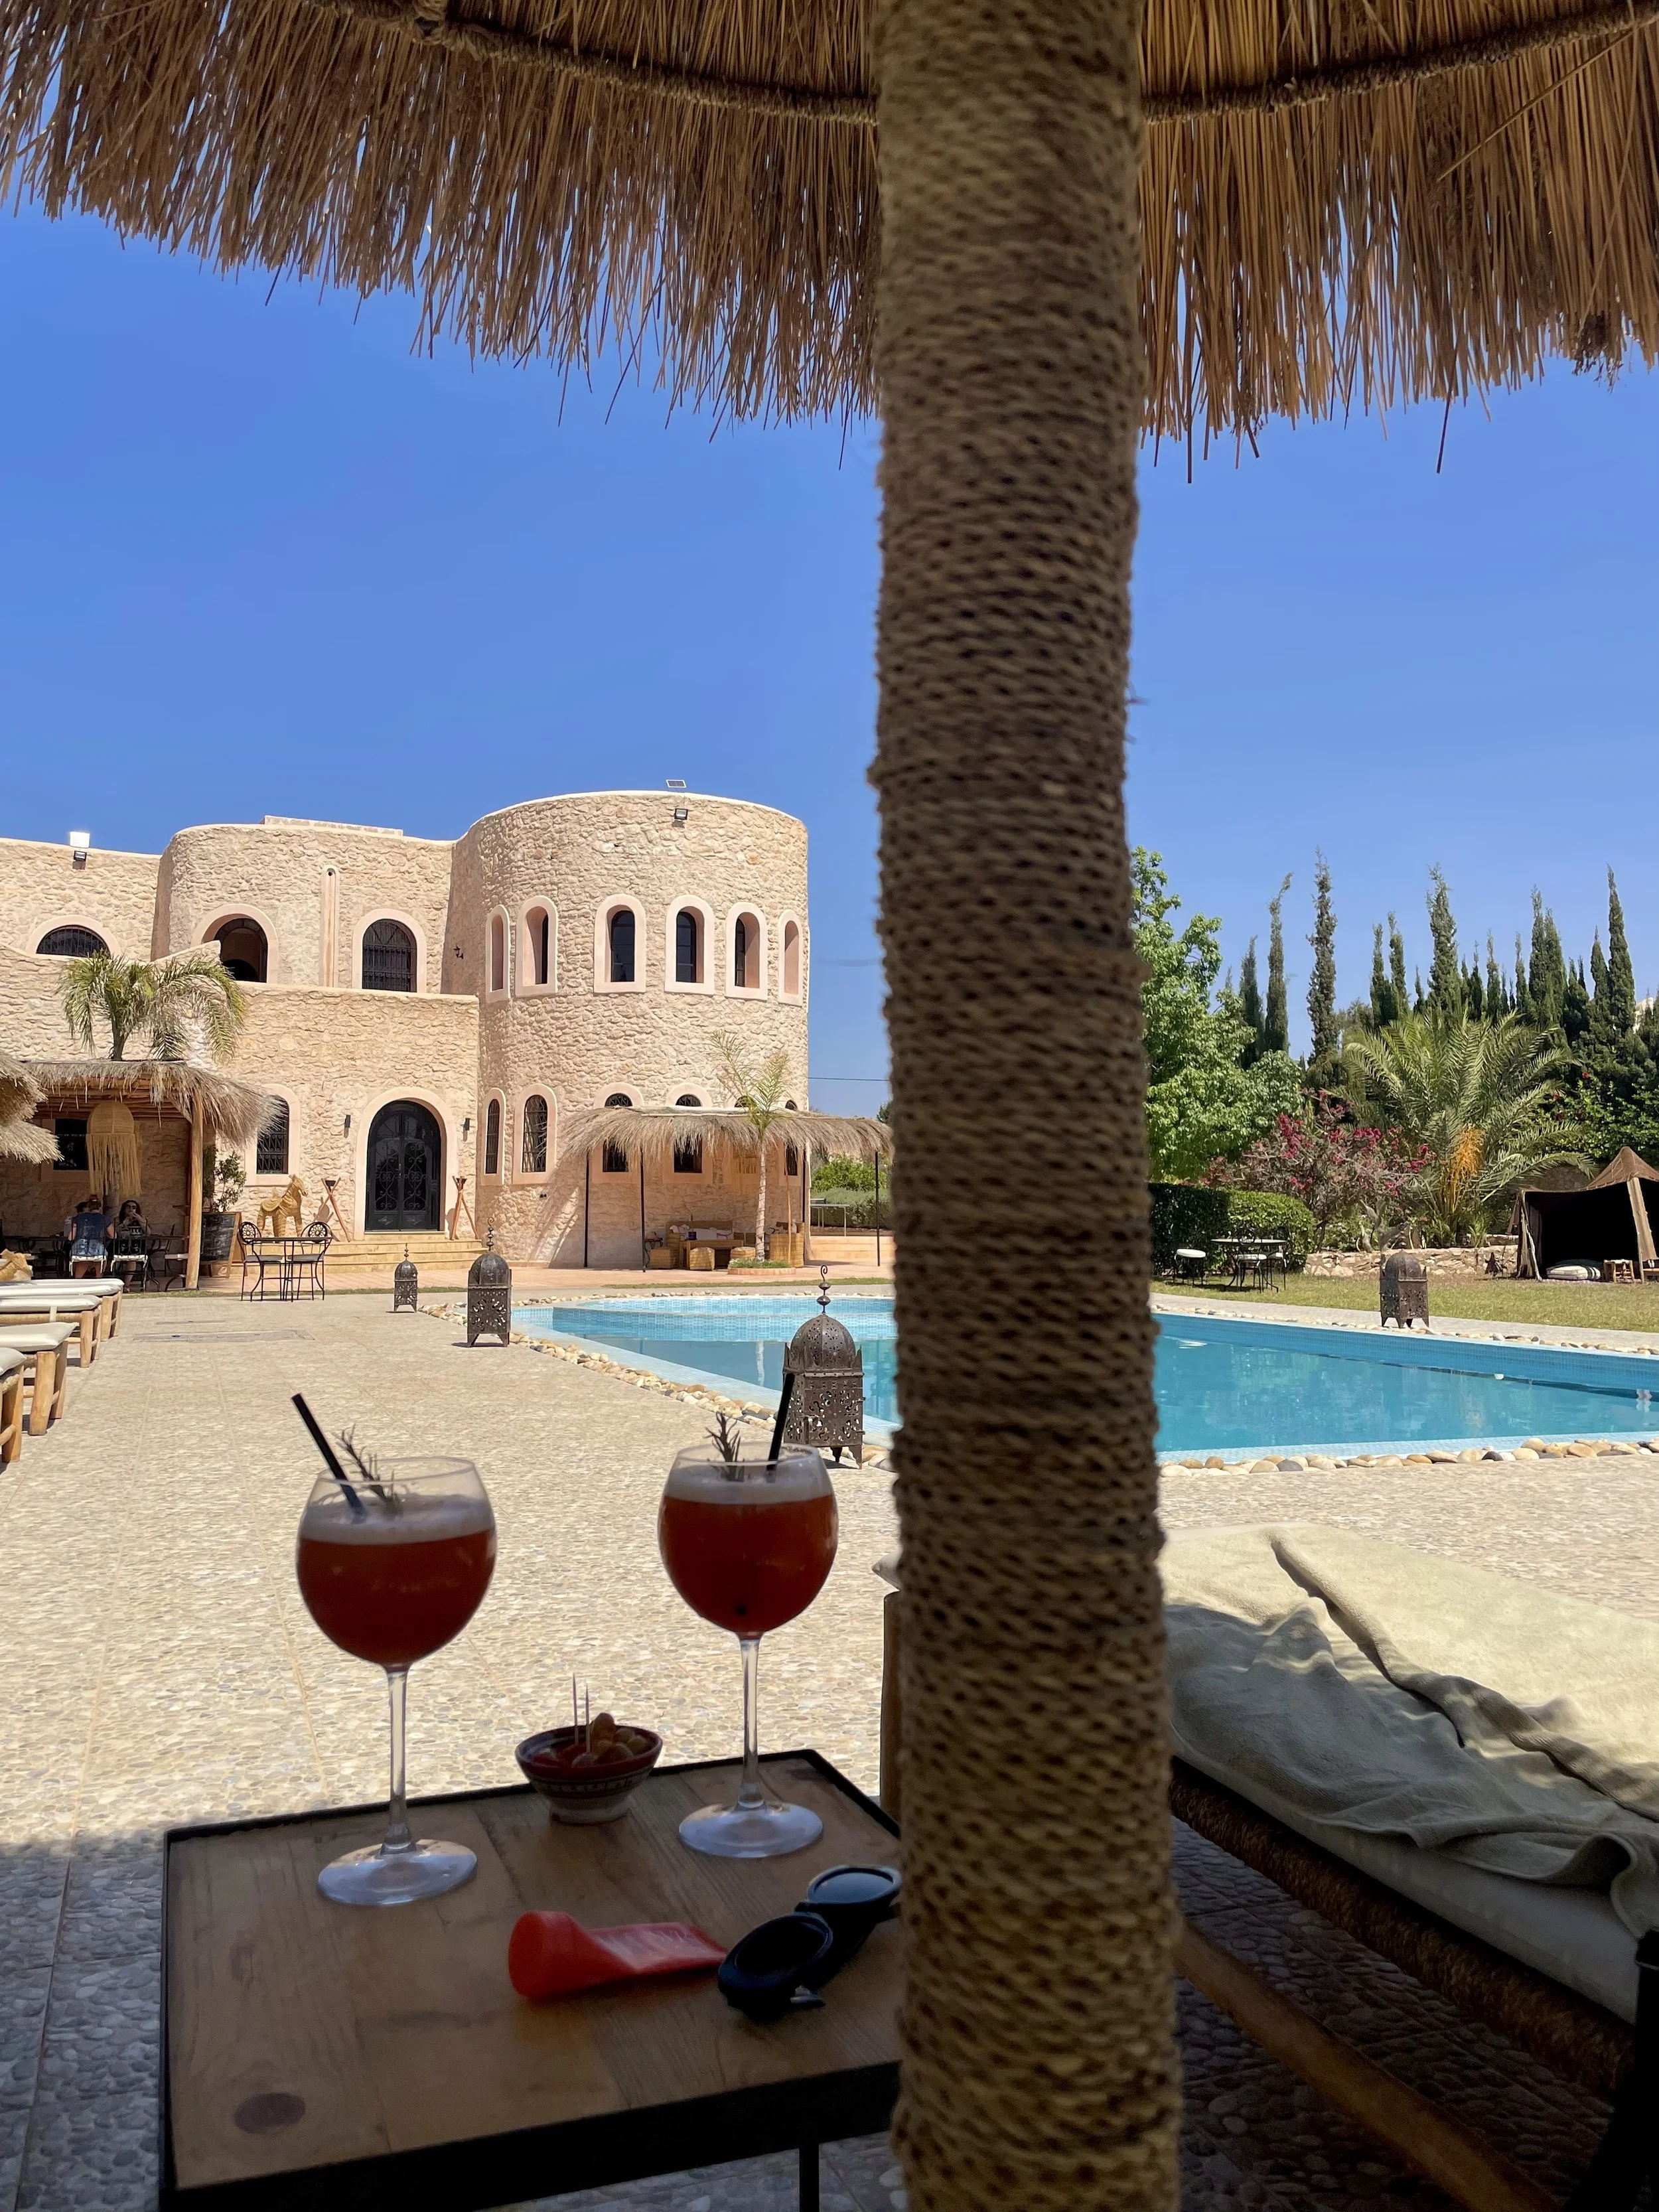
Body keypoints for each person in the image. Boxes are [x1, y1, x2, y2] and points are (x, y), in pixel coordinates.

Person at [66, 1193, 111, 1277]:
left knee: (81, 1266)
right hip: (98, 1250)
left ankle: (77, 1283)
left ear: (88, 1206)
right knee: (102, 1259)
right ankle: (99, 1279)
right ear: (100, 1206)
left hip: (81, 1249)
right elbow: (113, 1235)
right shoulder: (105, 1218)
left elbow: (71, 1237)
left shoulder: (78, 1218)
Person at [110, 1199, 151, 1285]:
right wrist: (124, 1223)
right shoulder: (118, 1219)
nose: (131, 1209)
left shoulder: (141, 1219)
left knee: (132, 1260)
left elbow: (148, 1233)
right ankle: (114, 1280)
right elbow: (114, 1234)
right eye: (128, 1207)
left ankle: (127, 1284)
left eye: (134, 1207)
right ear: (124, 1209)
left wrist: (141, 1221)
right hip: (122, 1246)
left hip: (137, 1246)